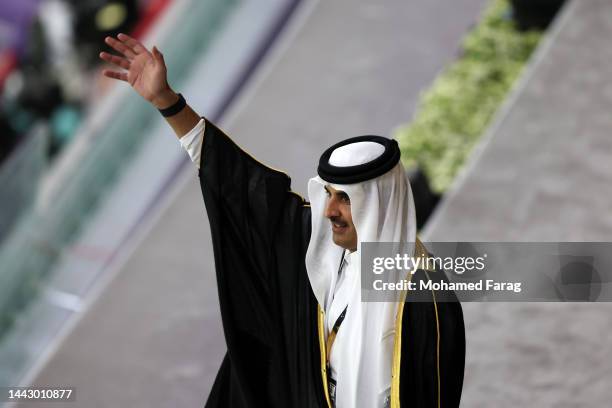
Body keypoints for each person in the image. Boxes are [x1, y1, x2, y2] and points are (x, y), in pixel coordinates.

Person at [100, 33, 465, 408]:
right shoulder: (321, 247)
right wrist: (168, 103)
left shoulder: (425, 300)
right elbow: (240, 187)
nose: (328, 212)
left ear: (380, 204)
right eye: (328, 194)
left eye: (344, 199)